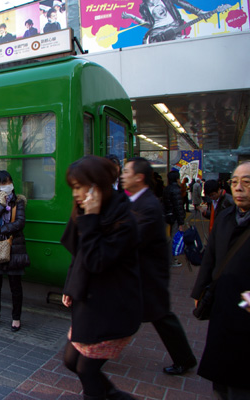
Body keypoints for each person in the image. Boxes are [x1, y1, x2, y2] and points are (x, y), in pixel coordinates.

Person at [60, 155, 141, 400]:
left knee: (85, 368)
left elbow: (95, 261)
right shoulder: (91, 211)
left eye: (78, 186)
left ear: (96, 185)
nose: (74, 194)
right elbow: (78, 252)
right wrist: (69, 286)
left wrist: (91, 218)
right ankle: (115, 395)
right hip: (90, 304)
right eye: (72, 187)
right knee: (71, 361)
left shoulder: (123, 219)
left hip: (112, 309)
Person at [121, 157, 197, 375]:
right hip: (143, 275)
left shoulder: (148, 205)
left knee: (161, 317)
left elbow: (132, 238)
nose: (123, 175)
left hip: (150, 276)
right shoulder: (136, 200)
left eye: (127, 171)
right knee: (156, 317)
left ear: (139, 177)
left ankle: (185, 358)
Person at [191, 161, 250, 399]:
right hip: (222, 302)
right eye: (235, 182)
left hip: (246, 309)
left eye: (246, 182)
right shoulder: (226, 217)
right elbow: (210, 258)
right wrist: (199, 292)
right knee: (221, 371)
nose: (239, 187)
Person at [0, 170, 29, 332]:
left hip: (14, 247)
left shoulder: (18, 201)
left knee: (15, 286)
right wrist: (1, 205)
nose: (7, 186)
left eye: (8, 182)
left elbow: (20, 223)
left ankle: (16, 318)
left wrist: (2, 228)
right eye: (3, 183)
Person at [121, 0, 222, 44]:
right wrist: (132, 17)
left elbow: (181, 3)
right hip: (156, 33)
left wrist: (199, 12)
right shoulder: (143, 7)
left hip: (173, 27)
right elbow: (149, 25)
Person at [163, 170, 185, 267]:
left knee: (169, 237)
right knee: (174, 238)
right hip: (175, 217)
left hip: (168, 215)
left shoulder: (167, 189)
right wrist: (181, 221)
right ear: (177, 179)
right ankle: (172, 259)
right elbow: (178, 206)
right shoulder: (176, 189)